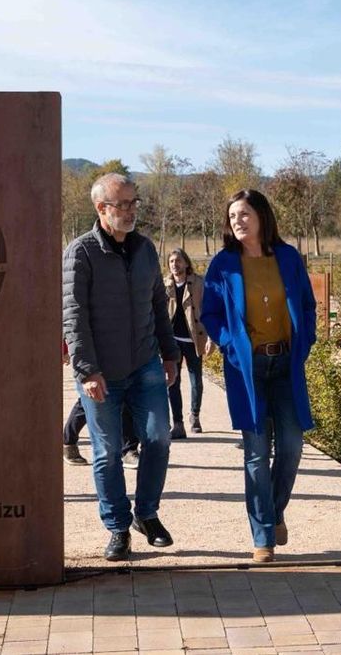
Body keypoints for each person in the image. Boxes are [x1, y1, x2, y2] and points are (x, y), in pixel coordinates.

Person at [63, 172, 180, 562]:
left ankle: (146, 514)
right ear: (101, 209)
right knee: (107, 452)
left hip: (144, 363)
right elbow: (73, 316)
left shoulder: (146, 249)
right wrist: (86, 370)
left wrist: (169, 354)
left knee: (159, 437)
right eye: (122, 205)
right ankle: (117, 527)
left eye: (134, 203)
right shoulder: (81, 253)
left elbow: (157, 307)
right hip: (100, 372)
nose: (130, 211)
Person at [200, 188, 317, 564]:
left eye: (244, 214)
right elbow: (211, 315)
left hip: (285, 366)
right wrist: (228, 344)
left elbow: (308, 305)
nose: (237, 221)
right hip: (247, 369)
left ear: (262, 217)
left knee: (291, 447)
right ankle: (263, 536)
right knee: (254, 454)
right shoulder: (223, 265)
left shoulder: (287, 257)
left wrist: (306, 341)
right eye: (233, 216)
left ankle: (275, 509)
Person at [62, 342, 139, 467]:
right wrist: (65, 348)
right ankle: (68, 441)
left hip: (128, 354)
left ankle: (129, 449)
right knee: (90, 399)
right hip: (97, 354)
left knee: (126, 397)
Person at [164, 248, 213, 438]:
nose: (175, 265)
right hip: (172, 340)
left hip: (194, 338)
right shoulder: (165, 285)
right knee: (172, 381)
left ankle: (195, 415)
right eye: (171, 262)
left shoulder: (199, 283)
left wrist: (211, 338)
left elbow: (208, 311)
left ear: (186, 263)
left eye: (178, 261)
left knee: (196, 380)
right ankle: (178, 423)